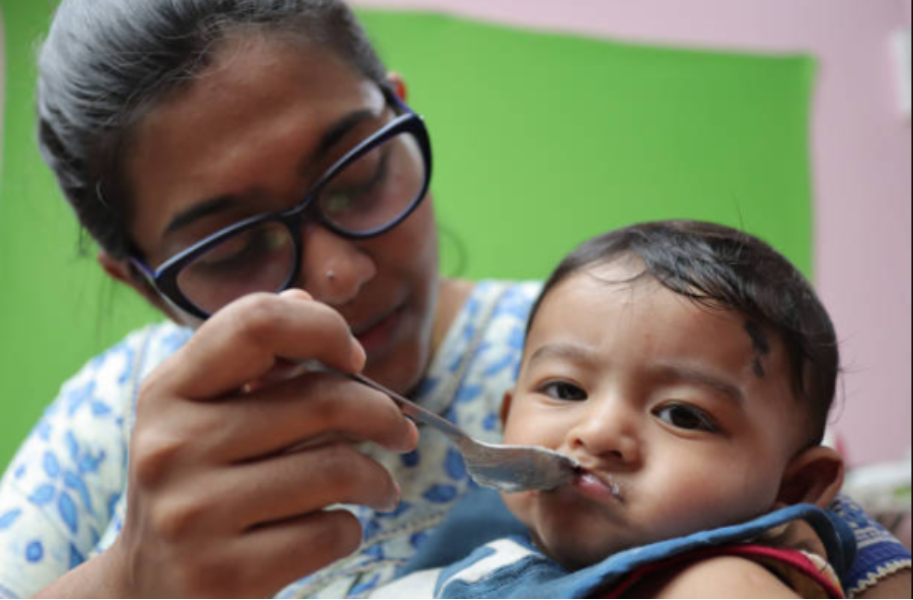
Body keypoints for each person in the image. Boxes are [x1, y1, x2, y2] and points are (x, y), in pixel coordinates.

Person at [0, 0, 908, 598]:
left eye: (357, 175)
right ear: (141, 280)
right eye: (235, 246)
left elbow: (832, 536)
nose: (337, 277)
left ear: (398, 112)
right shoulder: (108, 422)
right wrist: (126, 581)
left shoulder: (609, 347)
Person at [367, 220, 863, 599]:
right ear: (506, 417)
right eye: (565, 390)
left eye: (682, 416)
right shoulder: (486, 530)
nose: (598, 432)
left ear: (794, 488)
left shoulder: (724, 583)